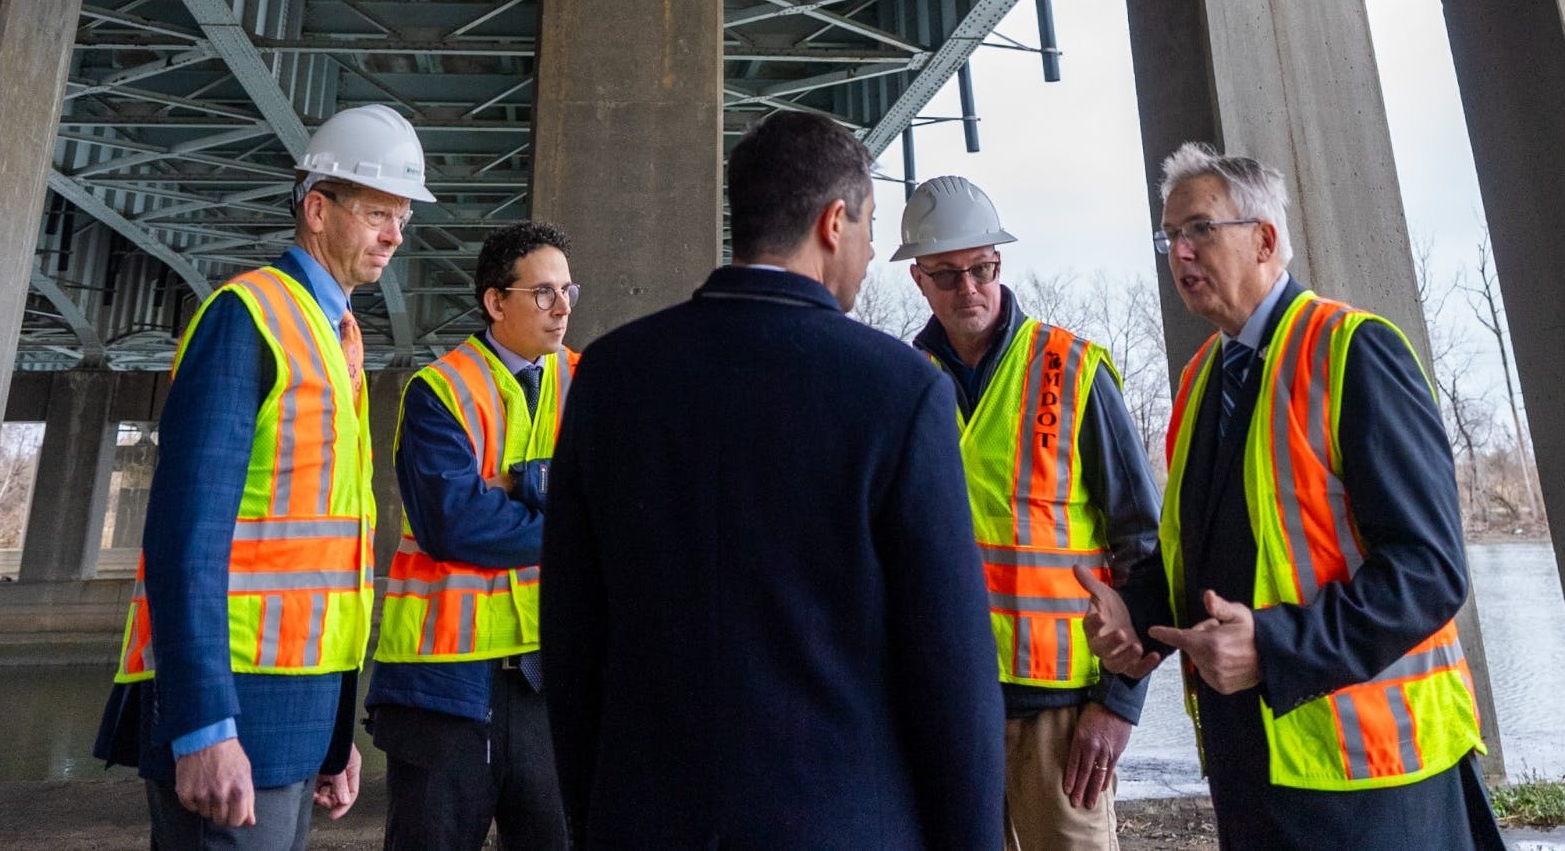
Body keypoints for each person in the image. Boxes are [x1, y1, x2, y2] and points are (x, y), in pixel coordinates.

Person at [539, 110, 1004, 850]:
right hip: (845, 824)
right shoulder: (899, 392)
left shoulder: (612, 377)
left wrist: (597, 818)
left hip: (645, 822)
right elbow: (950, 672)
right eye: (869, 225)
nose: (871, 248)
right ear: (832, 223)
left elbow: (571, 638)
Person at [1076, 142, 1504, 850]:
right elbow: (1210, 553)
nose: (1178, 253)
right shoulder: (1202, 378)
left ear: (1265, 239)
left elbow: (1430, 570)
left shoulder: (1354, 350)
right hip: (1256, 765)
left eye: (1198, 231)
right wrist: (1138, 619)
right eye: (1169, 236)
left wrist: (1274, 648)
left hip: (1374, 781)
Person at [93, 103, 436, 849]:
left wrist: (335, 732)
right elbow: (186, 535)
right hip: (234, 715)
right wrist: (202, 728)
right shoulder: (247, 318)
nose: (395, 234)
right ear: (317, 209)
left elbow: (327, 562)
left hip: (295, 716)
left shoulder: (334, 335)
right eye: (379, 211)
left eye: (403, 216)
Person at [895, 176, 1161, 851]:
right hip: (946, 707)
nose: (970, 289)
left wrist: (1120, 702)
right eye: (948, 275)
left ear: (1000, 265)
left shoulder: (1072, 370)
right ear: (919, 281)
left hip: (1066, 717)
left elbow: (1143, 548)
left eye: (982, 268)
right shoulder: (899, 383)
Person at [364, 222, 578, 850]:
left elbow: (621, 508)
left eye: (568, 290)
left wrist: (517, 485)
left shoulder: (588, 381)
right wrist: (567, 508)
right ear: (495, 301)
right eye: (543, 292)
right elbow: (451, 524)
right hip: (445, 685)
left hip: (551, 681)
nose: (562, 306)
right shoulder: (440, 390)